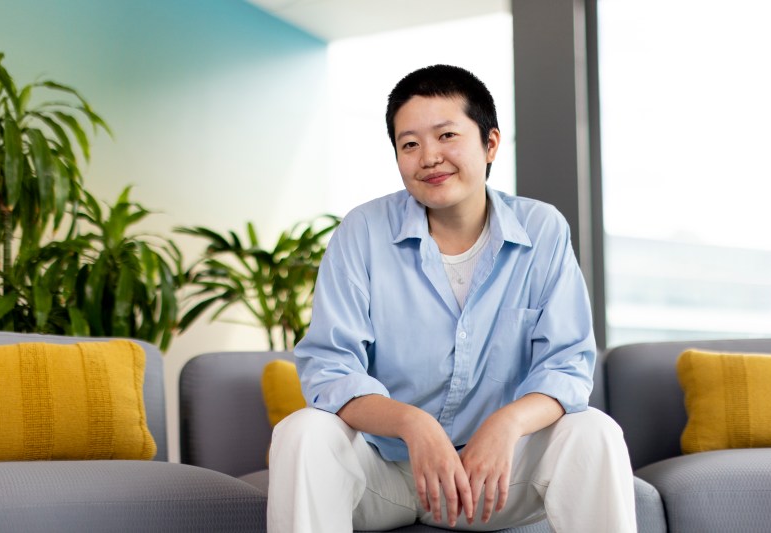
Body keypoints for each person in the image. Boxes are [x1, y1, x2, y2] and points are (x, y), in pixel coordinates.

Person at [268, 64, 636, 533]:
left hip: (494, 480)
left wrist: (506, 425)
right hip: (387, 474)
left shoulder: (542, 229)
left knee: (594, 431)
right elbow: (330, 369)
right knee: (302, 432)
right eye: (410, 144)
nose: (428, 157)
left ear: (490, 144)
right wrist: (414, 426)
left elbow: (566, 367)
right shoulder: (361, 231)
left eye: (446, 135)